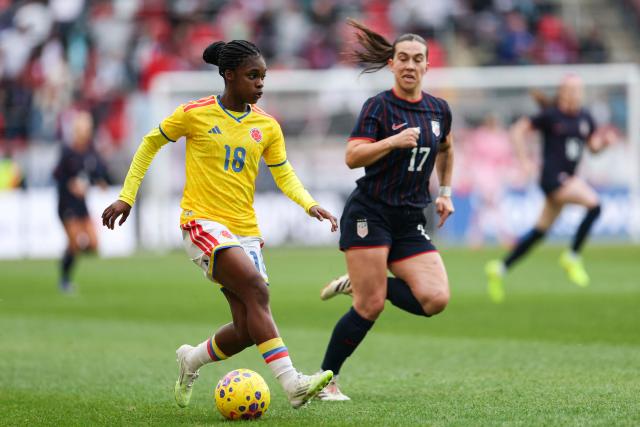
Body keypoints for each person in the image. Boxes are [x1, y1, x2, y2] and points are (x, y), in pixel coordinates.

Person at [101, 40, 338, 410]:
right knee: (257, 288)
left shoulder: (267, 126)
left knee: (246, 328)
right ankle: (292, 384)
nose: (260, 84)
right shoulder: (194, 113)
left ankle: (190, 359)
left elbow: (284, 173)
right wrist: (127, 196)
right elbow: (149, 143)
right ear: (229, 75)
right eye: (252, 75)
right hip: (202, 222)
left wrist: (310, 204)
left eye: (263, 76)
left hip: (246, 230)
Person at [315, 19, 455, 401]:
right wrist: (392, 142)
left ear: (427, 65)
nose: (410, 65)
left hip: (410, 218)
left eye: (418, 59)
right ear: (392, 64)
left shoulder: (439, 109)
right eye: (403, 58)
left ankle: (359, 281)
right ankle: (326, 380)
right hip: (369, 213)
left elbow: (445, 148)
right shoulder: (378, 106)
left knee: (436, 299)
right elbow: (351, 156)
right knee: (371, 304)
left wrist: (444, 191)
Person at [485, 75, 616, 303]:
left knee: (539, 232)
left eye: (579, 90)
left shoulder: (586, 117)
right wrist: (524, 160)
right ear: (562, 92)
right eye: (572, 90)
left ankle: (500, 268)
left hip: (568, 179)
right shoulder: (550, 116)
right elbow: (517, 130)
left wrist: (604, 144)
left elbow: (593, 148)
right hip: (553, 179)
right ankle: (572, 256)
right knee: (595, 205)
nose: (577, 94)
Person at [53, 110, 109, 292]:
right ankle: (64, 279)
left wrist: (99, 182)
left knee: (93, 244)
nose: (86, 130)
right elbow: (57, 175)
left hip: (81, 204)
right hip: (66, 204)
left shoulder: (91, 151)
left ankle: (67, 257)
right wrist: (70, 184)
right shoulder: (67, 151)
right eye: (83, 127)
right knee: (75, 242)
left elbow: (97, 172)